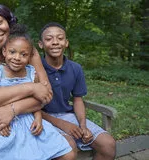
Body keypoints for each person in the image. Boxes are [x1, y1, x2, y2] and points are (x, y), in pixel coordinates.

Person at [0, 2, 75, 160]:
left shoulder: (27, 49)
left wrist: (13, 109)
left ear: (8, 21)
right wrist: (31, 88)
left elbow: (46, 94)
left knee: (68, 148)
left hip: (26, 115)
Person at [38, 22, 116, 160]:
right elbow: (30, 108)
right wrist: (62, 124)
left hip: (69, 116)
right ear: (41, 44)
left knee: (108, 145)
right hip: (42, 118)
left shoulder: (75, 68)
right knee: (68, 147)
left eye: (60, 38)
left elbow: (78, 99)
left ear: (66, 43)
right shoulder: (35, 70)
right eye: (49, 39)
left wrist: (83, 125)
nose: (55, 42)